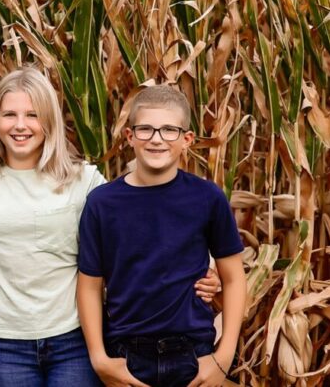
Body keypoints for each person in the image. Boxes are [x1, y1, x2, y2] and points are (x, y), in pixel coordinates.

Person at [0, 70, 220, 387]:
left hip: (73, 338)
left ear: (50, 121)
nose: (19, 125)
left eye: (33, 115)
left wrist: (206, 270)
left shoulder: (83, 180)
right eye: (9, 114)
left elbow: (141, 224)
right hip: (2, 341)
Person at [77, 85, 247, 387]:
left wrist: (224, 355)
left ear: (187, 140)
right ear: (129, 137)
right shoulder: (102, 203)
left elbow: (233, 278)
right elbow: (90, 286)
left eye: (169, 130)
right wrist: (100, 358)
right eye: (145, 129)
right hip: (127, 355)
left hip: (193, 353)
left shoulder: (207, 198)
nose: (156, 139)